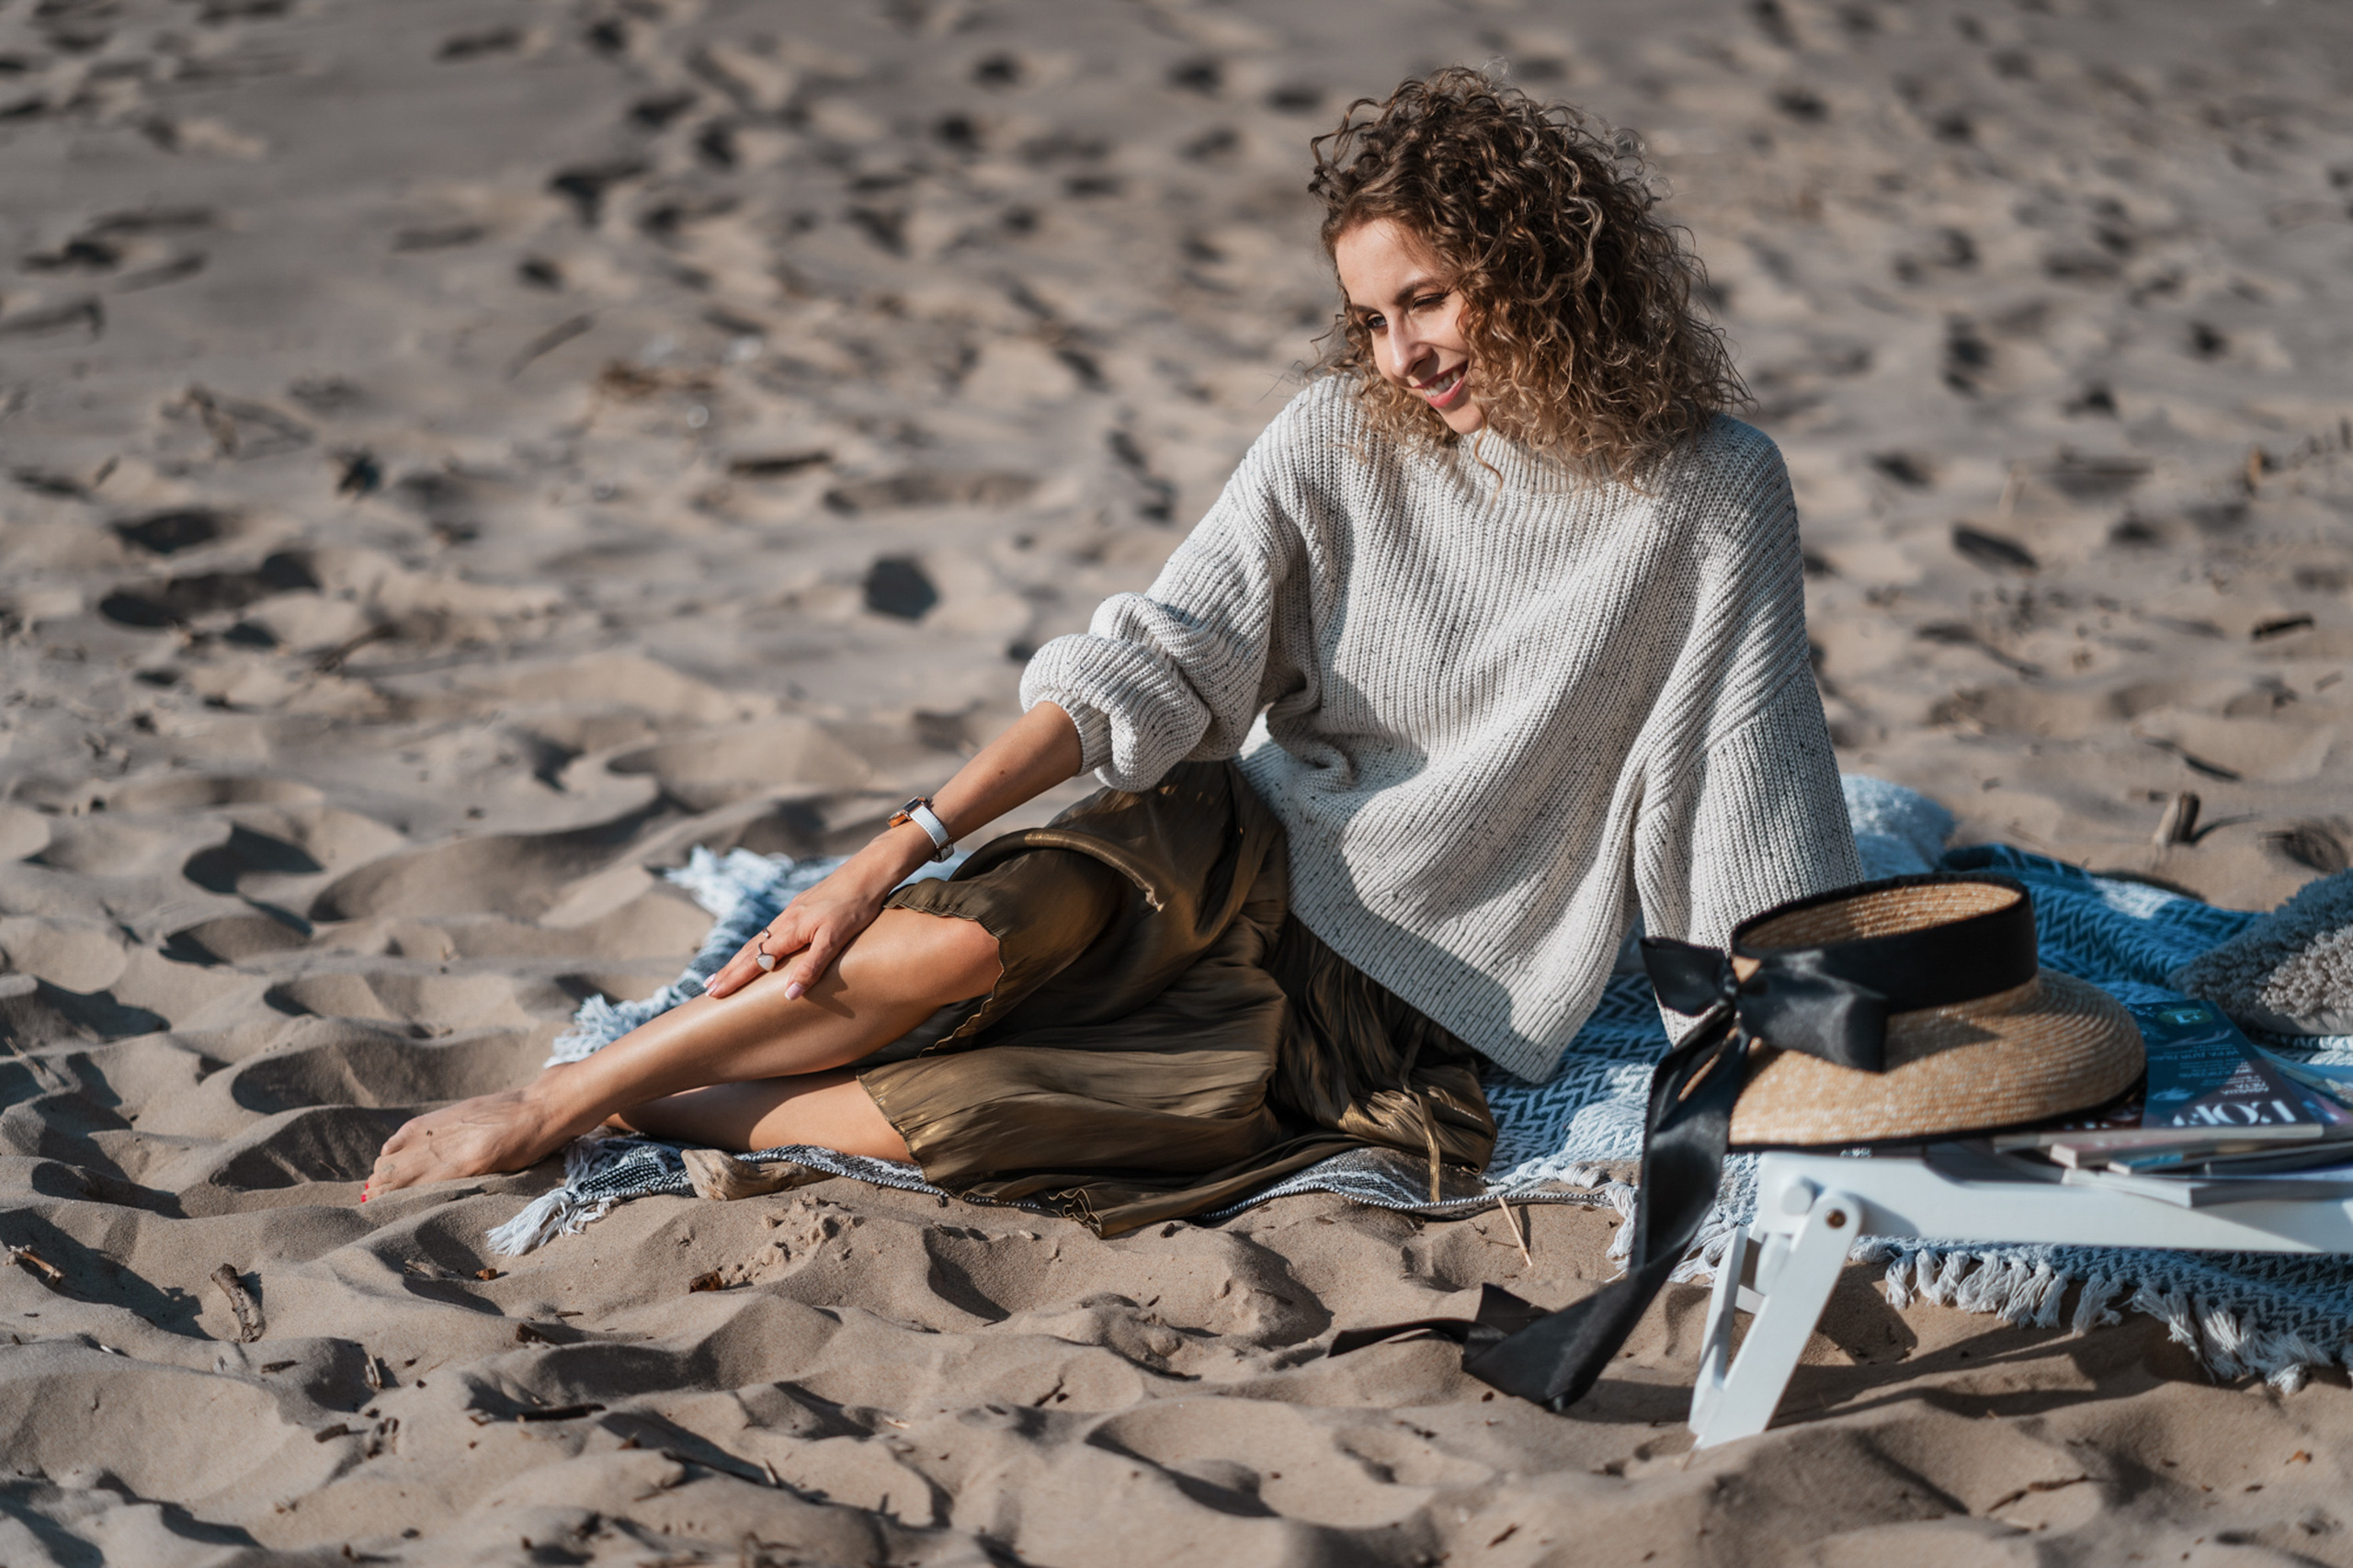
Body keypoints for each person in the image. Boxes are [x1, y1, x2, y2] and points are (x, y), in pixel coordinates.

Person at [364, 68, 1861, 1232]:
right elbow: (1158, 655)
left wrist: (1780, 1031)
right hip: (1241, 840)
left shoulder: (1709, 490)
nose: (1404, 352)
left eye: (1430, 298)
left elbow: (1740, 773)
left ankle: (669, 1113)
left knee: (992, 1111)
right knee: (959, 941)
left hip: (1410, 1000)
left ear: (1541, 265)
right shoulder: (1343, 432)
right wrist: (890, 848)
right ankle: (563, 1097)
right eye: (1373, 317)